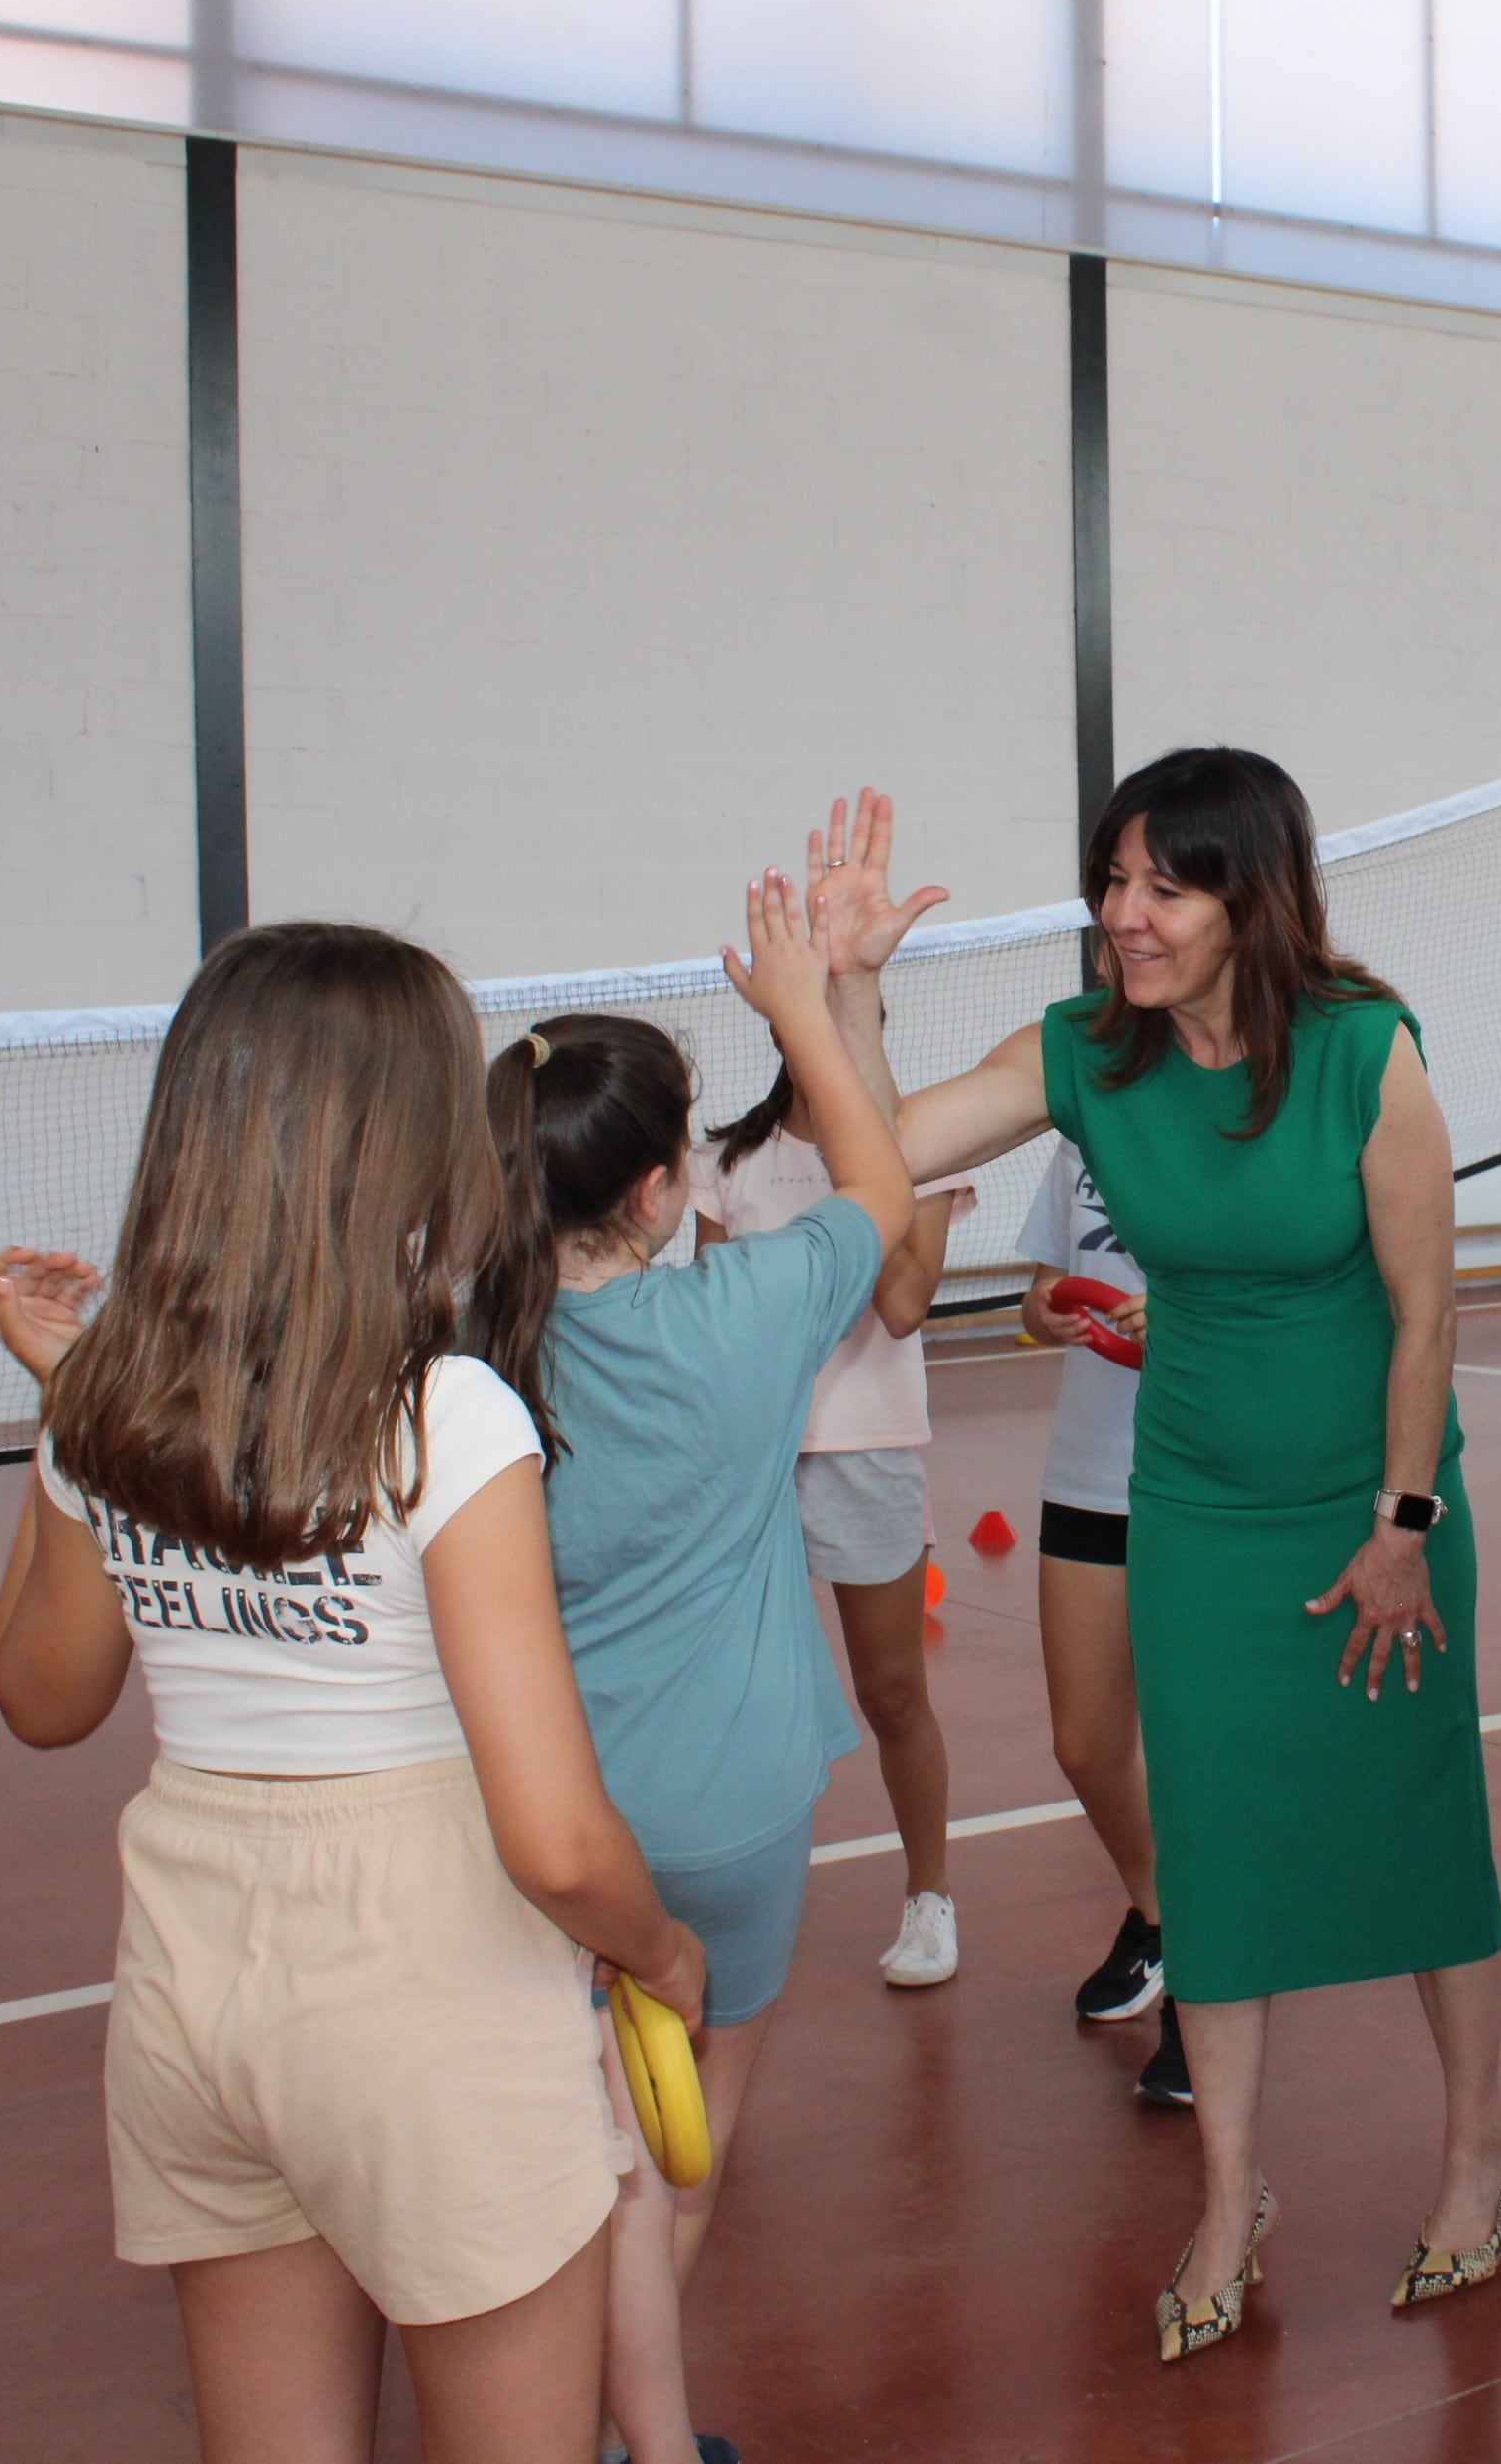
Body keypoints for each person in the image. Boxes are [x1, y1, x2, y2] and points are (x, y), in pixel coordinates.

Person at [0, 919, 707, 2464]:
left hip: (190, 1971)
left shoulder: (105, 1398)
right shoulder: (448, 1412)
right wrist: (662, 1953)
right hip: (420, 1967)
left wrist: (72, 1414)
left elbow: (42, 1698)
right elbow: (557, 1836)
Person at [890, 746, 1501, 2365]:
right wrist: (836, 992)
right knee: (1216, 1855)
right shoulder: (1089, 1054)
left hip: (1371, 1506)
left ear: (1249, 894)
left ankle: (1470, 2158)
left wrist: (1398, 1527)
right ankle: (1230, 2194)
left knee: (1415, 1834)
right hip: (1197, 1510)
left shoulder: (1364, 1054)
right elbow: (876, 1142)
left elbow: (1429, 1310)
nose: (1122, 915)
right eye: (1110, 880)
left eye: (1161, 883)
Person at [464, 870, 912, 2463]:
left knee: (559, 2139)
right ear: (662, 1189)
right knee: (681, 2136)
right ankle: (627, 2432)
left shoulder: (458, 1358)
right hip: (729, 1815)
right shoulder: (752, 1313)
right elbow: (883, 1189)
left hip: (541, 1821)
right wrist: (810, 1006)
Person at [698, 1040, 976, 1990]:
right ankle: (712, 1904)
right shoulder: (729, 1162)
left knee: (893, 1692)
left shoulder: (927, 1149)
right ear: (782, 1034)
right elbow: (714, 1329)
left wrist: (876, 1173)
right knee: (737, 1703)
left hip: (868, 1450)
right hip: (753, 1460)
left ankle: (930, 1899)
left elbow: (902, 1304)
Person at [1016, 1132, 1191, 2107]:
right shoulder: (1080, 1140)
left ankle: (1208, 1987)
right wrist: (1047, 1311)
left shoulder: (1238, 1123)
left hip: (1201, 1473)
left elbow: (1287, 1300)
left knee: (1196, 1747)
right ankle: (1163, 1911)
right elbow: (1045, 1293)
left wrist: (1189, 1314)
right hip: (1088, 1470)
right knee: (1085, 1741)